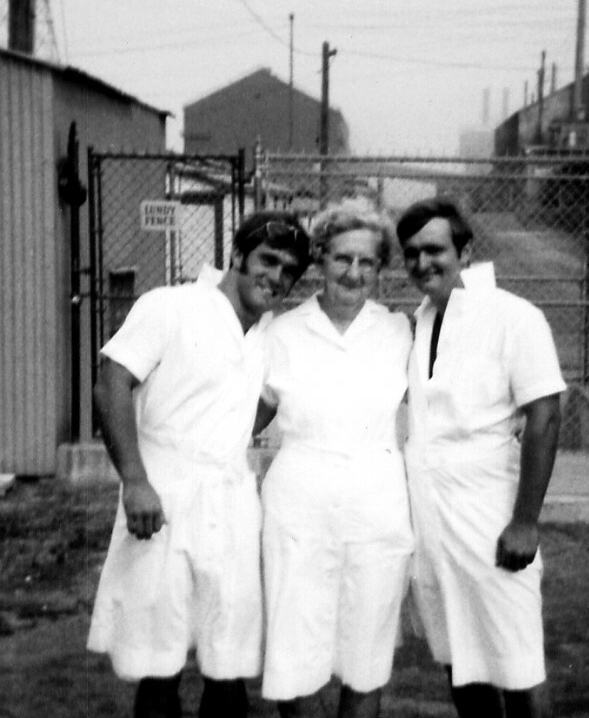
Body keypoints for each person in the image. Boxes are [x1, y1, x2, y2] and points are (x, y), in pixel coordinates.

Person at [87, 211, 311, 718]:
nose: (276, 277)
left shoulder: (269, 335)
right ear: (238, 255)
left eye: (289, 271)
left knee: (228, 662)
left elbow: (259, 407)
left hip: (232, 499)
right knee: (158, 662)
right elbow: (111, 382)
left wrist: (225, 439)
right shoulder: (172, 305)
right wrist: (136, 481)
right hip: (162, 495)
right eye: (268, 260)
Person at [395, 198, 566, 718]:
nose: (422, 262)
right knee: (460, 661)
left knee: (517, 665)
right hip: (432, 521)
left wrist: (525, 523)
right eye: (411, 253)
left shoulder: (514, 317)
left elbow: (545, 417)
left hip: (490, 515)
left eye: (434, 249)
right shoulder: (422, 320)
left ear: (465, 252)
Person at [254, 203, 414, 718]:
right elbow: (242, 420)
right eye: (343, 258)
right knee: (294, 652)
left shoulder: (400, 332)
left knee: (366, 656)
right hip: (298, 508)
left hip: (377, 508)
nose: (353, 272)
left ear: (381, 268)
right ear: (321, 258)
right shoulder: (280, 333)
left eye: (367, 262)